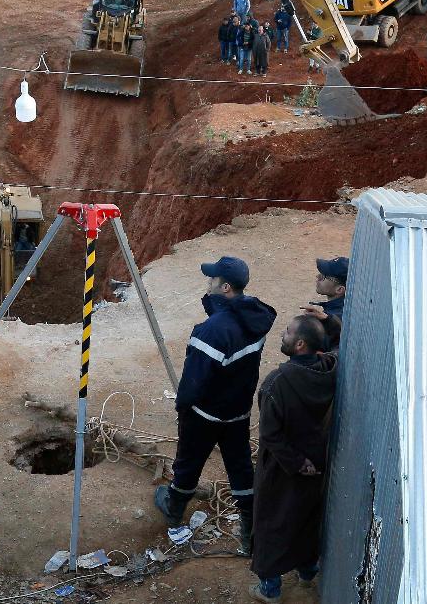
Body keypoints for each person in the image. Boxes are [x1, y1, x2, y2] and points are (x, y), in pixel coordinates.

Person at [154, 256, 276, 557]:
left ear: (225, 287)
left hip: (205, 415)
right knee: (240, 468)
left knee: (188, 464)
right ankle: (249, 533)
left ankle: (173, 510)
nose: (207, 284)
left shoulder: (211, 331)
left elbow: (193, 384)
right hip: (238, 412)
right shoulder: (255, 320)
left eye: (212, 280)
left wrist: (183, 410)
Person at [249, 315, 338, 603]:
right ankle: (307, 571)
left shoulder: (277, 383)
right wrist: (330, 323)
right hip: (317, 461)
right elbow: (333, 351)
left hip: (282, 469)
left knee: (271, 523)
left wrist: (298, 463)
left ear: (300, 344)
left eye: (287, 333)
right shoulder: (327, 370)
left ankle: (270, 588)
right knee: (305, 519)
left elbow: (271, 437)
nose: (282, 336)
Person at [301, 256, 347, 351]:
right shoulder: (343, 308)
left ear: (339, 290)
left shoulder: (336, 317)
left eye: (323, 276)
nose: (318, 277)